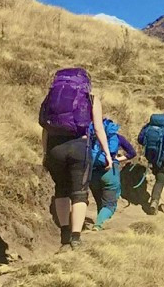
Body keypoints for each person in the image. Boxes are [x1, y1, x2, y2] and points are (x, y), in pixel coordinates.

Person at [39, 68, 112, 251]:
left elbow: (45, 128)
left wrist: (45, 153)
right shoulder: (91, 99)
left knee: (61, 190)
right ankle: (76, 238)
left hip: (55, 148)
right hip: (80, 147)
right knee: (79, 193)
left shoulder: (52, 97)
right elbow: (98, 128)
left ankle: (64, 235)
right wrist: (108, 154)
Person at [88, 118, 136, 230]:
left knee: (99, 200)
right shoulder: (117, 138)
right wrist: (116, 159)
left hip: (93, 171)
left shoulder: (90, 138)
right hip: (110, 171)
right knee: (110, 204)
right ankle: (99, 224)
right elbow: (132, 153)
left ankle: (100, 221)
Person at [138, 113, 164, 215]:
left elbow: (140, 140)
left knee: (160, 180)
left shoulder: (149, 126)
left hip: (156, 158)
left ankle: (154, 201)